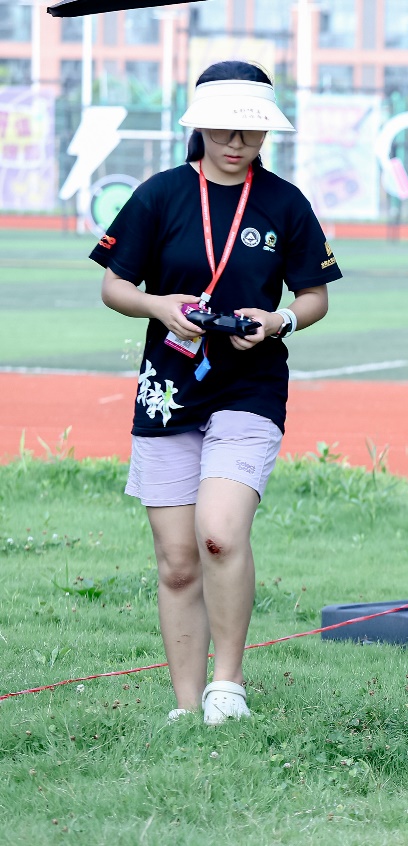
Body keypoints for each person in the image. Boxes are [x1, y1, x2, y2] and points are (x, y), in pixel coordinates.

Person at [92, 61, 341, 725]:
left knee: (220, 536)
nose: (238, 142)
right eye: (226, 128)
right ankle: (185, 705)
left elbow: (314, 296)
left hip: (250, 386)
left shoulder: (284, 203)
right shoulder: (160, 195)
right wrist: (159, 306)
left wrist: (279, 320)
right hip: (169, 388)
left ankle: (226, 687)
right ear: (199, 125)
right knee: (177, 562)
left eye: (252, 131)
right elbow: (113, 285)